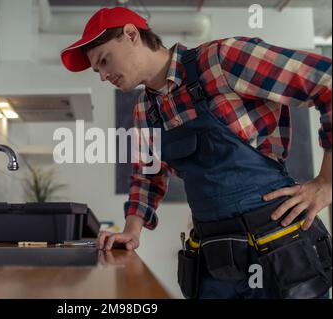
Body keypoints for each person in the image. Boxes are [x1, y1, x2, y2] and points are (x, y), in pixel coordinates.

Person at [60, 7, 332, 299]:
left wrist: (326, 183)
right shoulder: (144, 109)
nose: (103, 75)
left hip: (281, 251)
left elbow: (326, 81)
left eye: (104, 60)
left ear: (131, 34)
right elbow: (147, 175)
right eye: (97, 69)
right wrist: (132, 229)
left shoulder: (222, 59)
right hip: (215, 259)